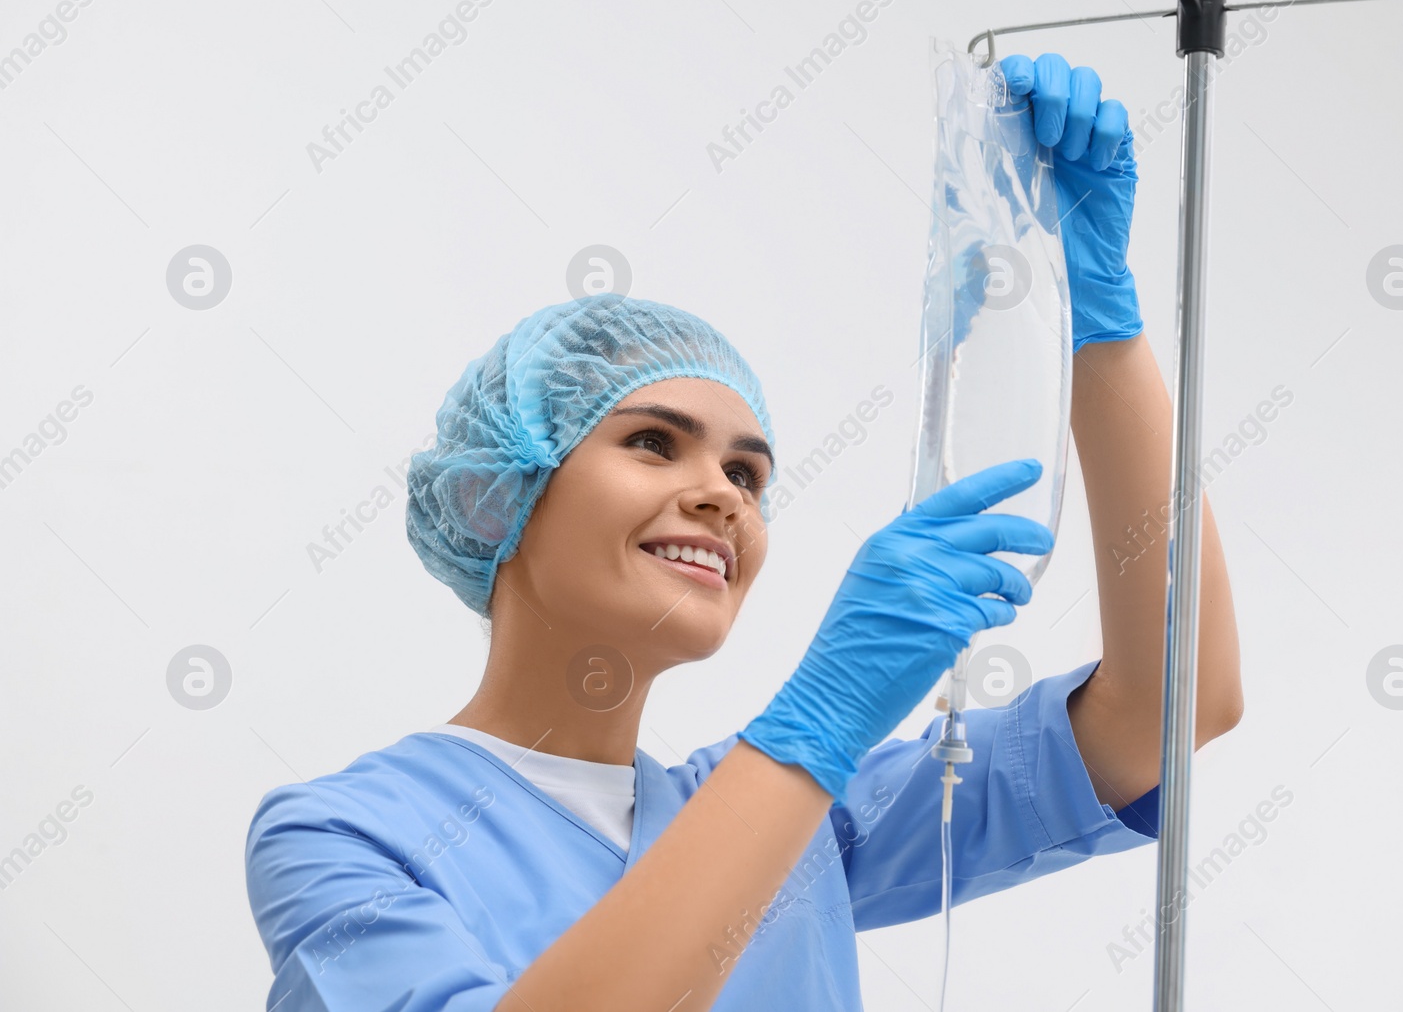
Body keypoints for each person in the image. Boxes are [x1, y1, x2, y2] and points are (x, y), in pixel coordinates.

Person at [244, 54, 1243, 1011]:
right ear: (492, 497)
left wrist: (1097, 324)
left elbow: (1168, 710)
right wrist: (819, 717)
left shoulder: (798, 825)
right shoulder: (343, 836)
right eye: (650, 441)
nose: (722, 494)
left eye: (747, 472)